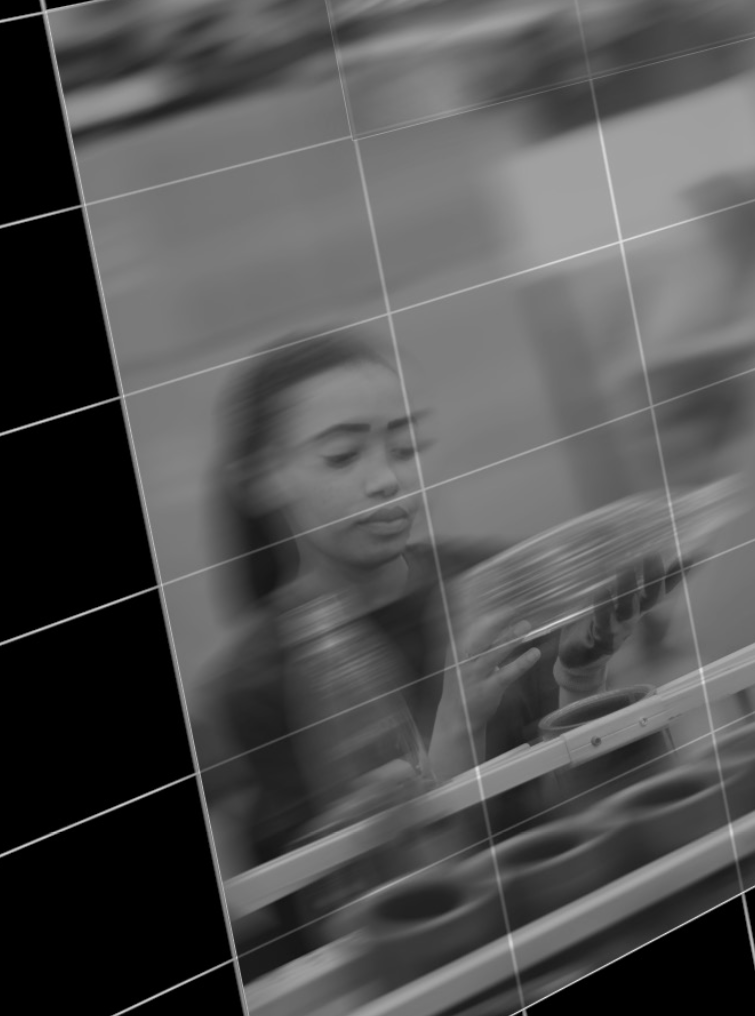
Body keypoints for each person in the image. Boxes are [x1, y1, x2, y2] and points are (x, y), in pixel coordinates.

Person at [196, 330, 680, 971]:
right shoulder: (252, 687)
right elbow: (347, 933)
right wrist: (458, 725)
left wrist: (583, 685)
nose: (388, 480)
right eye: (343, 457)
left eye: (405, 446)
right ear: (258, 480)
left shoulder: (493, 581)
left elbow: (585, 818)